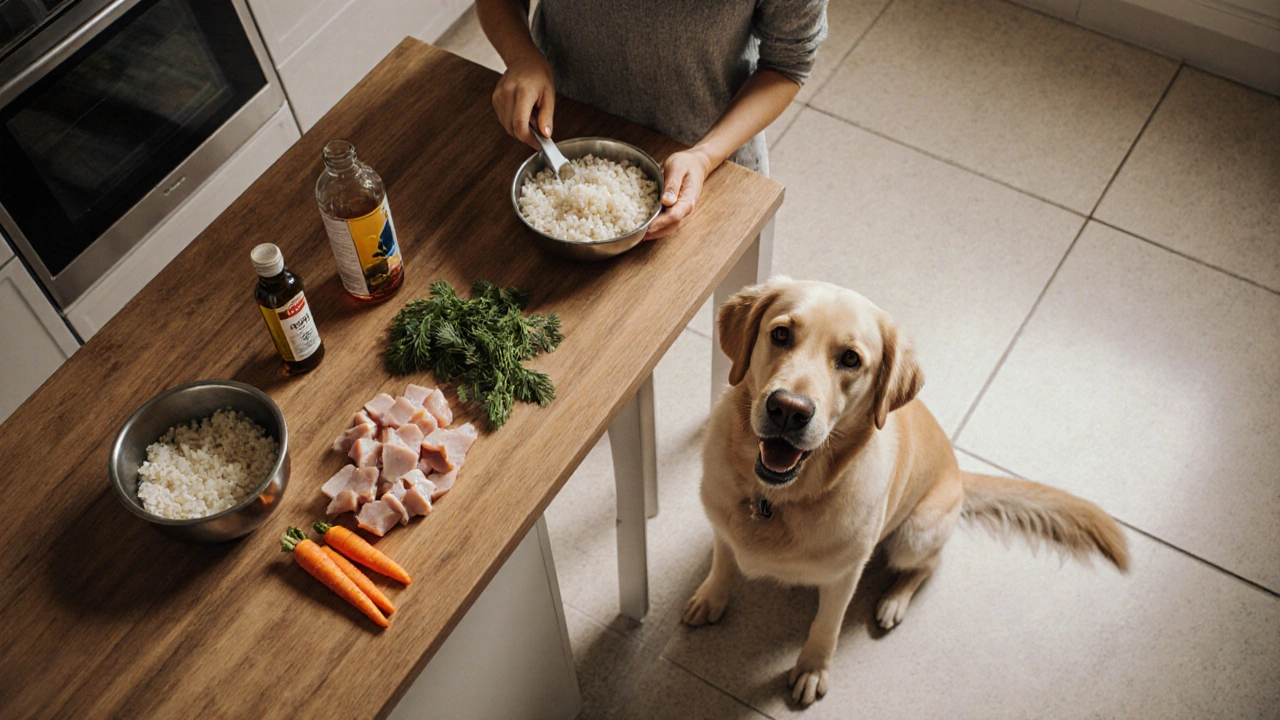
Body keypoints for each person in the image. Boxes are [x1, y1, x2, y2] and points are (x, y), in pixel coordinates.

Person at [477, 0, 828, 239]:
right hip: (555, 132)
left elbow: (787, 62)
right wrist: (521, 56)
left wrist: (704, 156)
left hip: (708, 157)